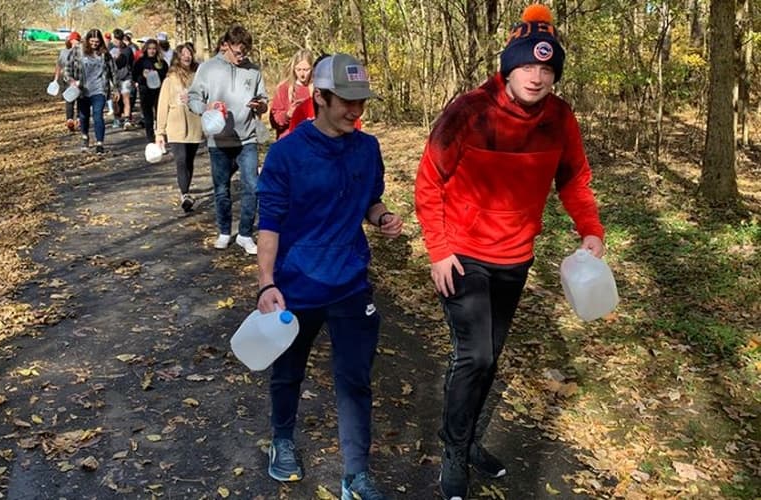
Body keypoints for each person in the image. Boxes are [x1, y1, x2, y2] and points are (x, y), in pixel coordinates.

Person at [414, 5, 607, 499]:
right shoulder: (469, 110)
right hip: (462, 254)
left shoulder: (560, 118)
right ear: (508, 66)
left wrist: (591, 229)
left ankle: (470, 438)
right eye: (528, 66)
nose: (537, 77)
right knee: (474, 356)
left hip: (515, 258)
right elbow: (428, 181)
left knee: (490, 358)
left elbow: (575, 180)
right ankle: (454, 451)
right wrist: (438, 250)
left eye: (547, 69)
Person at [256, 53, 402, 500]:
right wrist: (266, 283)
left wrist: (381, 218)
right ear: (319, 97)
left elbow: (369, 201)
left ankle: (355, 475)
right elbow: (270, 224)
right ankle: (282, 441)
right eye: (346, 101)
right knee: (288, 371)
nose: (356, 111)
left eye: (361, 102)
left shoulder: (367, 148)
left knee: (355, 378)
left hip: (351, 283)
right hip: (296, 284)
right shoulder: (286, 154)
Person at [187, 24, 268, 255]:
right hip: (219, 139)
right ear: (227, 46)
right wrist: (206, 107)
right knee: (221, 189)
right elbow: (193, 98)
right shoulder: (208, 68)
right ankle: (224, 231)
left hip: (247, 138)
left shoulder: (253, 71)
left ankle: (244, 234)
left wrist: (260, 104)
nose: (242, 57)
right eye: (238, 52)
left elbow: (263, 99)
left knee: (252, 186)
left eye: (245, 52)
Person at [155, 44, 202, 213]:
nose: (187, 56)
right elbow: (162, 106)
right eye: (183, 54)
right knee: (181, 160)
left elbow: (207, 97)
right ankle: (185, 194)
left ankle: (186, 189)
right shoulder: (170, 79)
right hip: (175, 126)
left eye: (189, 53)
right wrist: (159, 132)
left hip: (195, 124)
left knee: (189, 160)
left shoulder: (199, 76)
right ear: (178, 57)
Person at [66, 29, 119, 154]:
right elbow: (67, 68)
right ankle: (85, 137)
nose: (94, 44)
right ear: (87, 40)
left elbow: (113, 71)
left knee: (98, 115)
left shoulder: (104, 54)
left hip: (100, 89)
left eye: (97, 41)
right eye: (92, 41)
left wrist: (116, 88)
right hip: (83, 89)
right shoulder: (78, 51)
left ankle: (100, 143)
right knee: (83, 116)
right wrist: (71, 80)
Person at [269, 49, 313, 139]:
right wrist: (288, 114)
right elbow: (274, 121)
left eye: (306, 70)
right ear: (293, 68)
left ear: (312, 68)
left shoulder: (317, 89)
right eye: (298, 69)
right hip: (288, 141)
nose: (302, 74)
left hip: (311, 142)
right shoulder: (283, 88)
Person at [132, 38, 169, 143]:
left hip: (159, 91)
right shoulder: (140, 61)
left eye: (154, 49)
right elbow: (135, 76)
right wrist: (143, 76)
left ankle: (160, 134)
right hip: (145, 91)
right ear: (146, 49)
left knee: (160, 113)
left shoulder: (161, 62)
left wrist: (157, 74)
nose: (152, 51)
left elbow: (166, 75)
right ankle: (150, 137)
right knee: (148, 115)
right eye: (149, 49)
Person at [54, 31, 80, 132]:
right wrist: (56, 78)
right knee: (70, 99)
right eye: (75, 40)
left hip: (78, 80)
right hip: (69, 80)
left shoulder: (83, 52)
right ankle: (71, 119)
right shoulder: (64, 52)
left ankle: (76, 119)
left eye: (78, 40)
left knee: (77, 100)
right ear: (71, 40)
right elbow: (59, 65)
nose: (76, 42)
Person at [111, 28, 135, 130]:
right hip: (114, 78)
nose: (116, 42)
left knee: (126, 98)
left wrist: (133, 78)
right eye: (115, 40)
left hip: (126, 77)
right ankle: (117, 118)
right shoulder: (110, 48)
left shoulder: (127, 50)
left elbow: (131, 63)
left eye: (119, 40)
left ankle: (127, 120)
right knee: (116, 100)